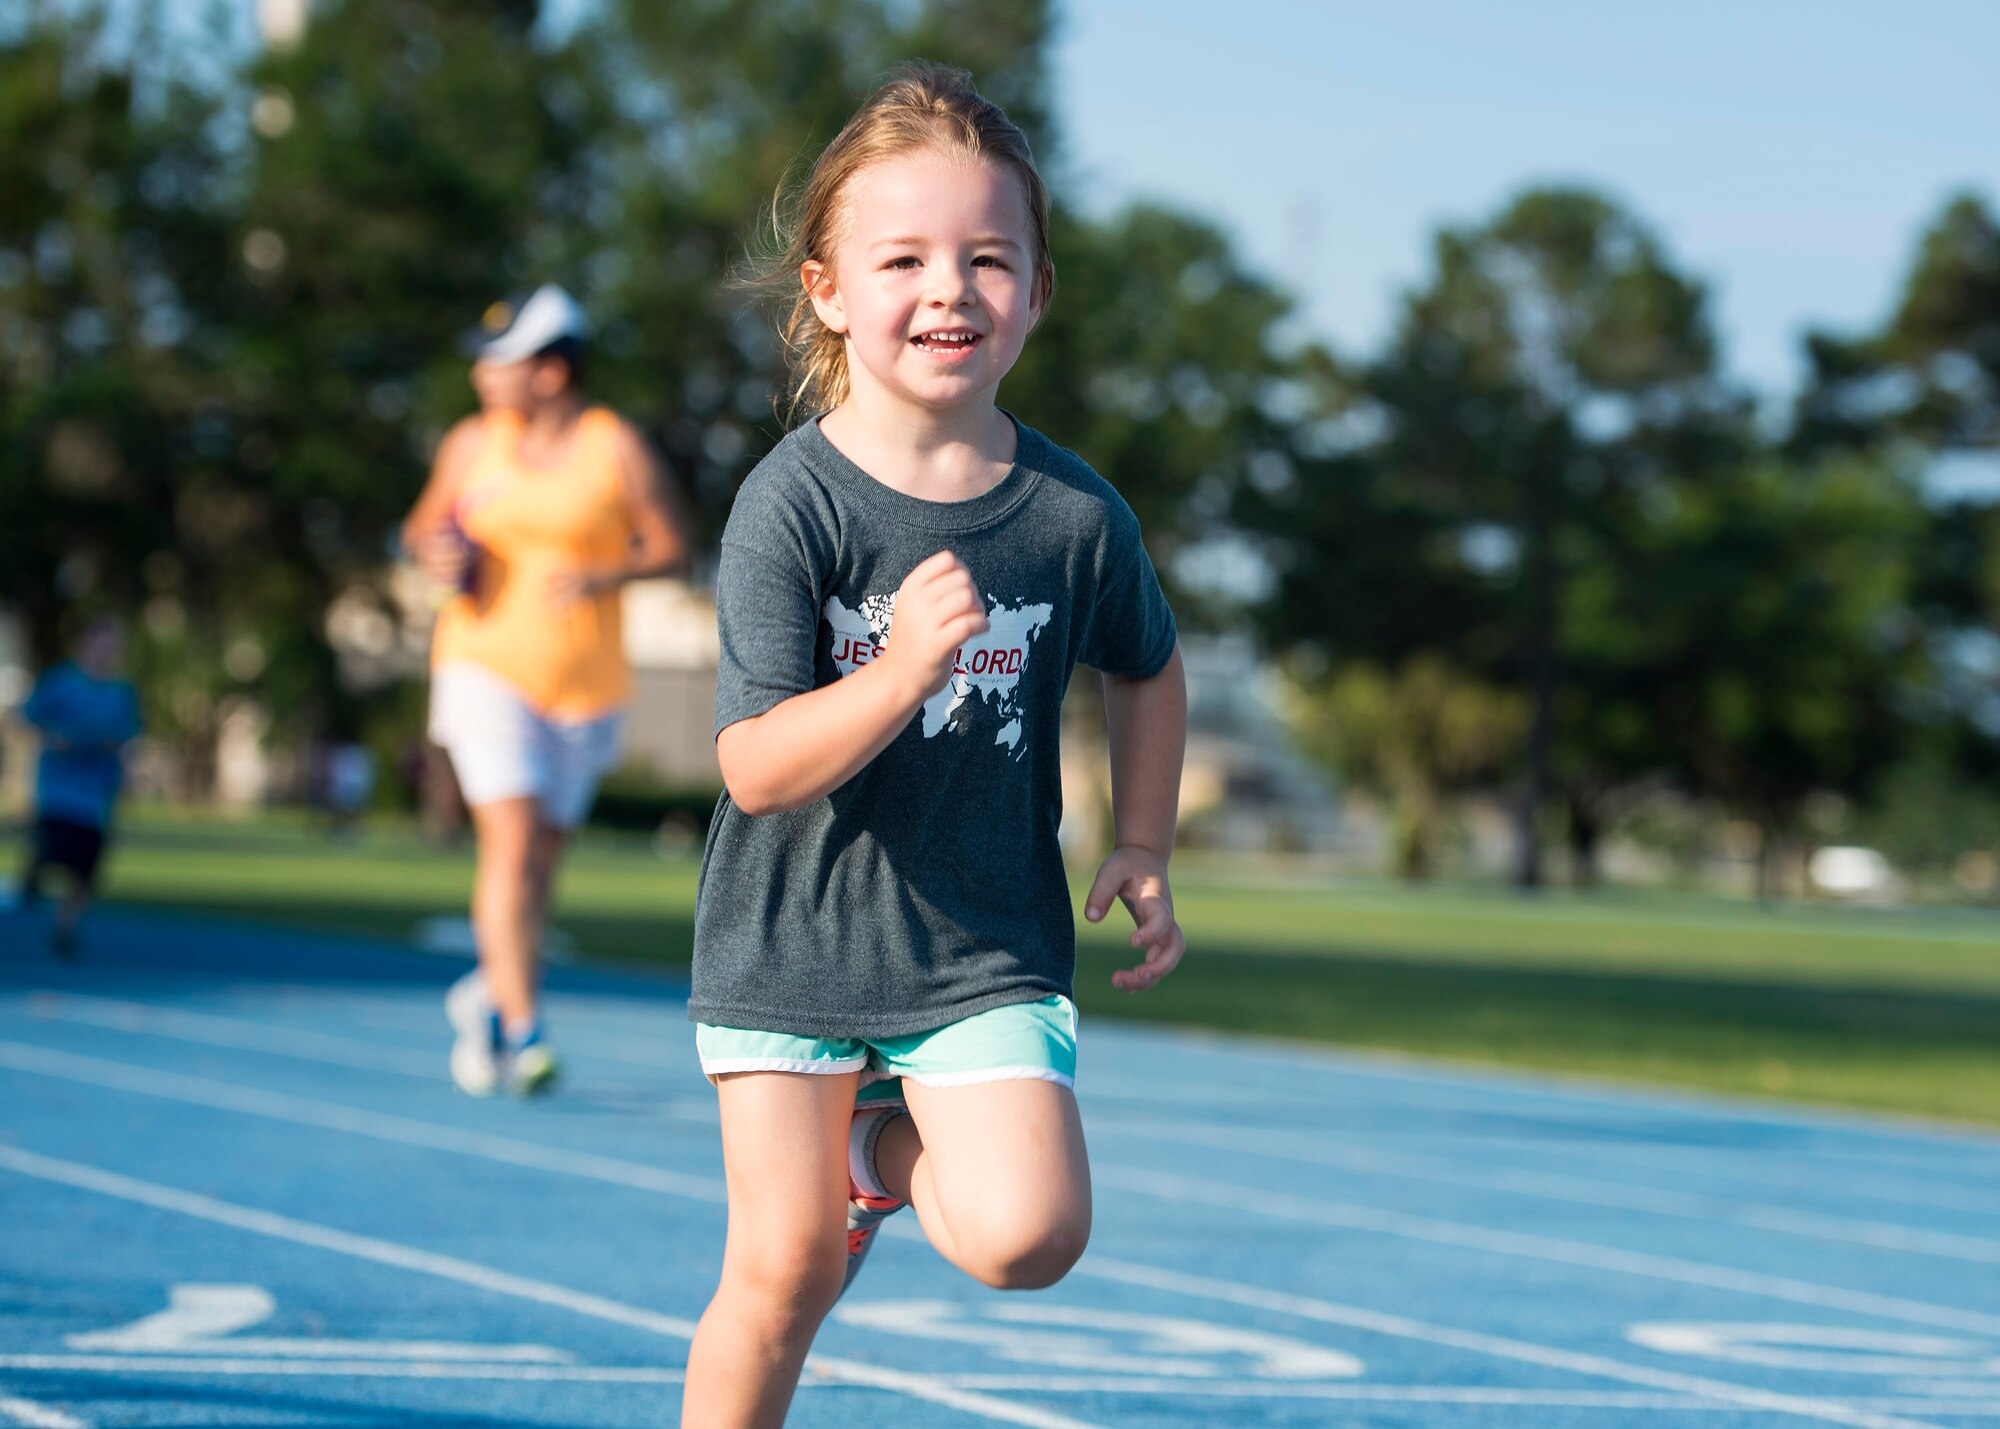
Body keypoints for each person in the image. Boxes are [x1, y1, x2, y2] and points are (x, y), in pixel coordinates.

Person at [681, 64, 1188, 1427]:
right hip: (791, 940)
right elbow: (756, 766)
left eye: (988, 258)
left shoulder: (1074, 516)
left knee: (1030, 1233)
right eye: (903, 257)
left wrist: (1143, 838)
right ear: (828, 291)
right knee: (778, 1276)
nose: (949, 289)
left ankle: (878, 1158)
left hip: (985, 940)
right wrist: (904, 667)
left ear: (1036, 289)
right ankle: (851, 1176)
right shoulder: (792, 506)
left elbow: (1148, 666)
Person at [401, 284, 688, 1097]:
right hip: (484, 666)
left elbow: (670, 544)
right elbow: (421, 527)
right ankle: (526, 1030)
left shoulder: (614, 446)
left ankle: (490, 993)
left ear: (553, 373)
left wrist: (607, 571)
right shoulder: (470, 445)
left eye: (504, 361)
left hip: (587, 687)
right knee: (514, 844)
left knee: (542, 862)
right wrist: (435, 554)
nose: (485, 375)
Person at [18, 615, 143, 956]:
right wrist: (53, 738)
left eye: (113, 644)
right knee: (54, 850)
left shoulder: (121, 692)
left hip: (96, 796)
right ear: (87, 642)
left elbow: (128, 739)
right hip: (59, 791)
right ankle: (34, 872)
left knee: (85, 873)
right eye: (102, 641)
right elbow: (28, 719)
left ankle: (65, 928)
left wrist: (125, 767)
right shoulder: (62, 681)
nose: (107, 650)